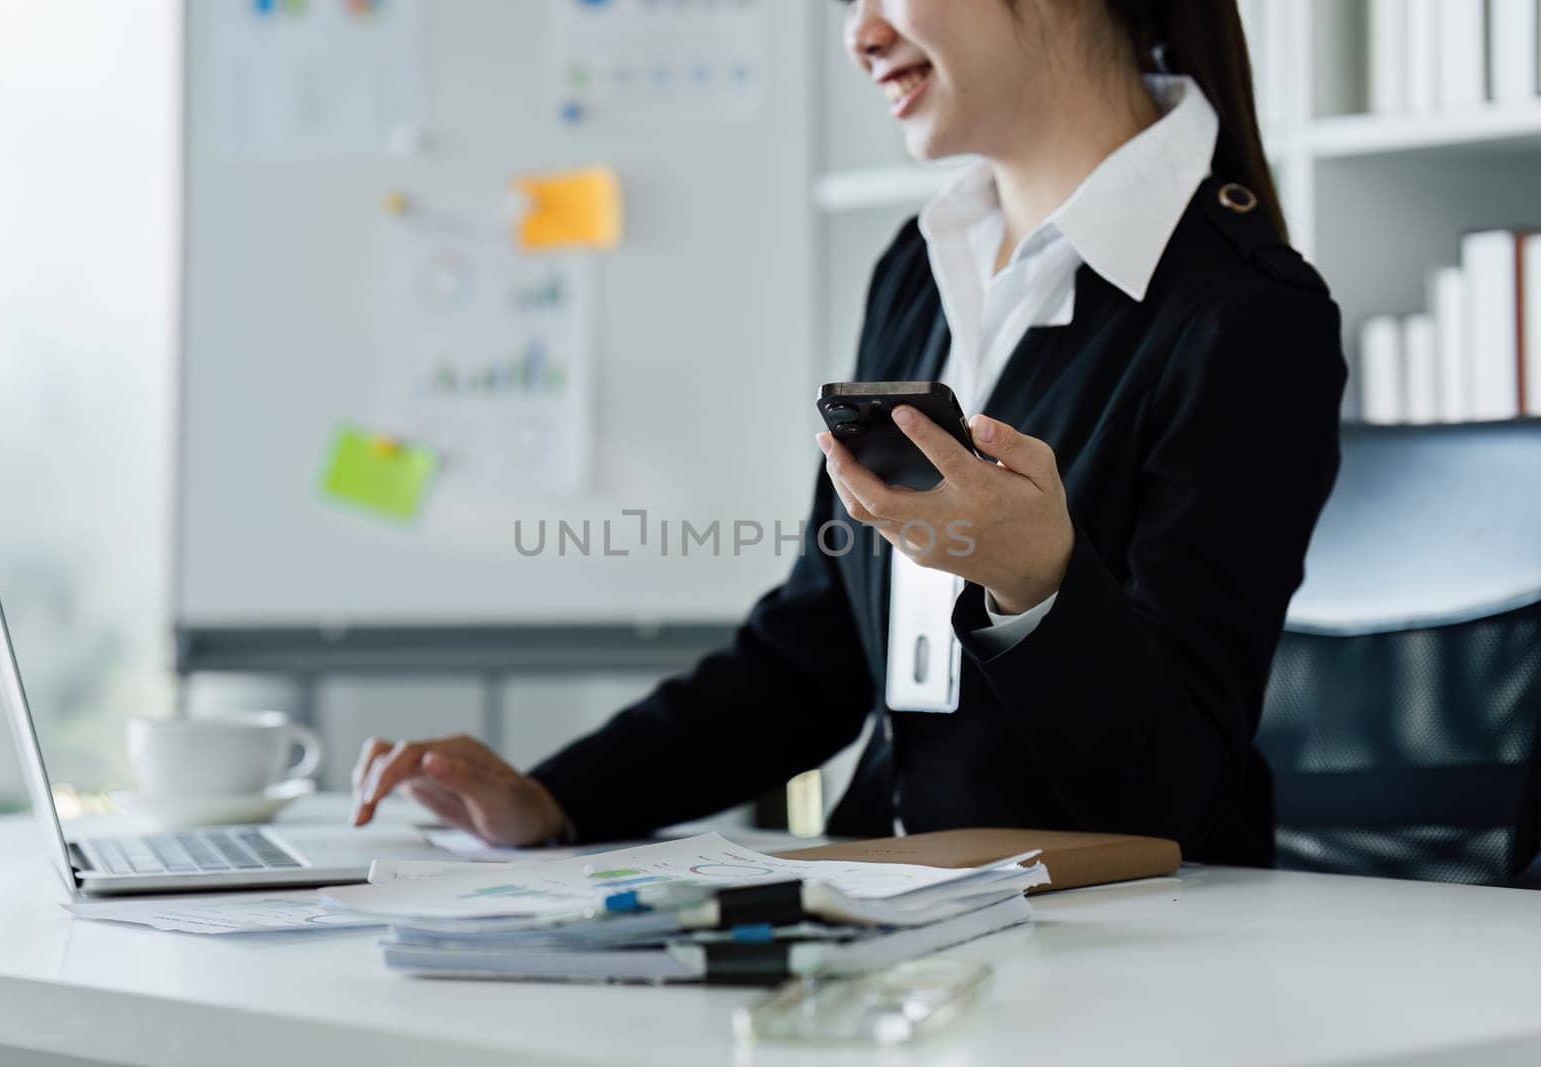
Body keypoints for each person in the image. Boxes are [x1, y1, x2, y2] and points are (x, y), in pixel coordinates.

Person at [351, 0, 1345, 866]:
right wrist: (555, 800)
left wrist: (1038, 586)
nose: (859, 35)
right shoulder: (918, 270)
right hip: (898, 918)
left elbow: (1179, 795)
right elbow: (812, 651)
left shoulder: (1245, 318)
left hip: (1124, 950)